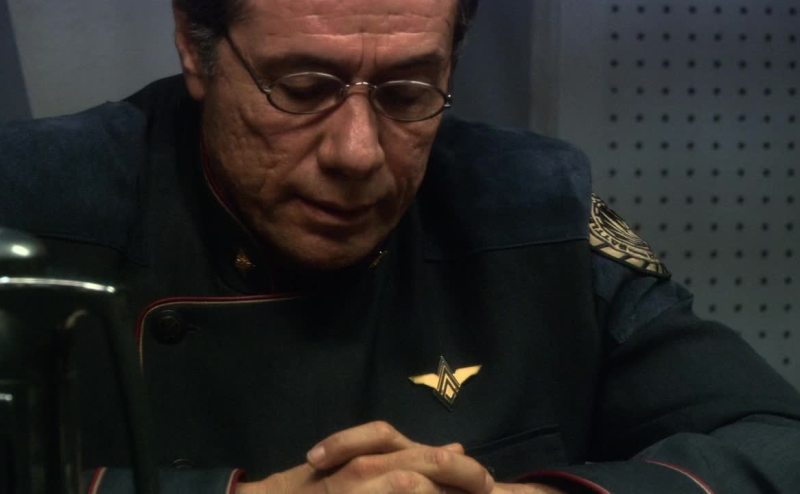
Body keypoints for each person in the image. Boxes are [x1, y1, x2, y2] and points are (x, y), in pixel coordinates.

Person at [1, 0, 800, 493]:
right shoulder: (33, 201)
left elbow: (775, 442)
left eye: (408, 92)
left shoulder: (530, 207)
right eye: (302, 89)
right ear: (193, 43)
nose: (357, 153)